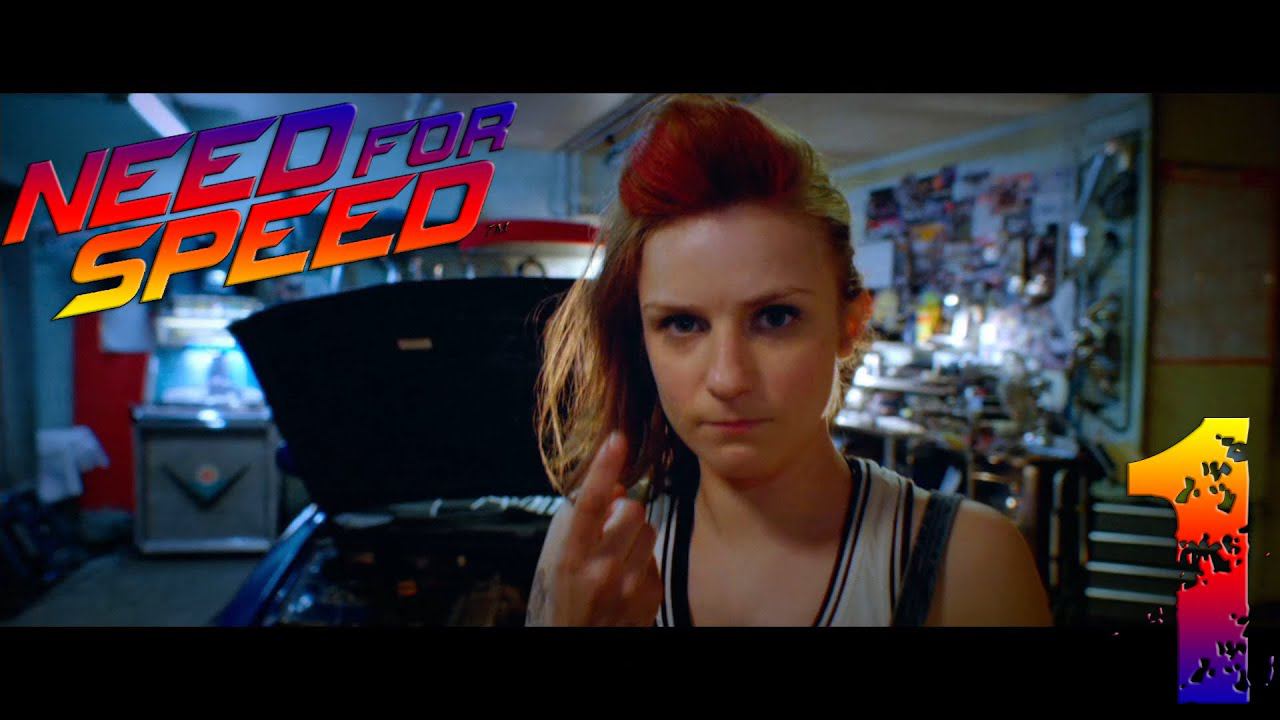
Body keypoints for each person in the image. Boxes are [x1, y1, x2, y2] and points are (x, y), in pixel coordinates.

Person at [525, 95, 1051, 627]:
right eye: (682, 324)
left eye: (775, 317)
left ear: (850, 323)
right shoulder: (591, 554)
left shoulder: (969, 564)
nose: (728, 378)